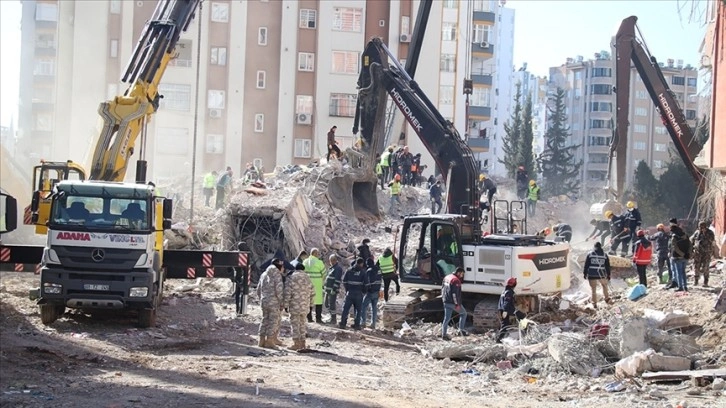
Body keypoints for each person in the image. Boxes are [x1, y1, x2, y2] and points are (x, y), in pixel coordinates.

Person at [283, 262, 315, 350]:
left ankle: (296, 343)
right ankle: (303, 343)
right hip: (305, 306)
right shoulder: (308, 278)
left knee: (295, 325)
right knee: (302, 325)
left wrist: (285, 305)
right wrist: (311, 305)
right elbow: (313, 293)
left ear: (295, 269)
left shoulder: (292, 277)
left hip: (294, 306)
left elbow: (287, 292)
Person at [255, 259, 284, 349]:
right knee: (273, 321)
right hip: (274, 302)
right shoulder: (277, 275)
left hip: (264, 301)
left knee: (264, 320)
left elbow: (258, 289)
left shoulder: (264, 274)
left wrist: (262, 298)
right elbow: (278, 290)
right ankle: (270, 341)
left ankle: (261, 340)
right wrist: (281, 302)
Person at [339, 258, 368, 330]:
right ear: (361, 264)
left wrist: (347, 289)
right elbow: (366, 284)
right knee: (358, 310)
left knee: (345, 309)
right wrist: (363, 292)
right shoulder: (363, 272)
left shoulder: (349, 270)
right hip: (358, 294)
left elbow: (344, 281)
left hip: (350, 293)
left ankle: (343, 323)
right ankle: (357, 325)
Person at [441, 267, 468, 340]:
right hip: (452, 302)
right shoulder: (456, 281)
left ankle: (444, 334)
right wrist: (457, 304)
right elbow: (454, 294)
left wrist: (443, 299)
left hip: (445, 301)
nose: (462, 276)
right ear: (458, 273)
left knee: (446, 318)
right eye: (462, 274)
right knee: (464, 313)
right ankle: (461, 330)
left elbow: (442, 288)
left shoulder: (447, 277)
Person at [496, 277, 525, 343]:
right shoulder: (509, 292)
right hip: (507, 310)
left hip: (502, 309)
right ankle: (524, 331)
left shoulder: (504, 291)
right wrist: (505, 311)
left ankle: (499, 339)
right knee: (522, 316)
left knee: (505, 325)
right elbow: (507, 302)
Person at [583, 241, 612, 308]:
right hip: (601, 274)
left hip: (592, 274)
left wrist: (585, 273)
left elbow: (586, 265)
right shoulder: (604, 255)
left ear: (594, 247)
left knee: (593, 289)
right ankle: (607, 299)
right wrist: (608, 274)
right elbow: (607, 266)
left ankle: (594, 303)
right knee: (604, 286)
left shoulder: (590, 254)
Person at [302, 248, 326, 323]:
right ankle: (318, 319)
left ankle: (309, 318)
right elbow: (324, 273)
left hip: (307, 284)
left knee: (309, 301)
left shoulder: (305, 262)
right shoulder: (319, 262)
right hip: (317, 285)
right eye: (318, 254)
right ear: (315, 254)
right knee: (318, 302)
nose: (318, 255)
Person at [668, 218, 691, 292]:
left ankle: (680, 286)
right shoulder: (685, 234)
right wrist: (687, 254)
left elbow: (675, 247)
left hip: (677, 256)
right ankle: (685, 286)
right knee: (683, 272)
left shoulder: (674, 235)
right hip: (685, 256)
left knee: (678, 272)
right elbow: (690, 245)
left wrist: (682, 254)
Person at [691, 221, 715, 287]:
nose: (701, 228)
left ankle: (705, 281)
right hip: (697, 253)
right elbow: (692, 240)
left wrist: (705, 234)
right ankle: (696, 281)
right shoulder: (697, 232)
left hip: (706, 253)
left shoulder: (710, 232)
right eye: (700, 227)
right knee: (696, 267)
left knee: (705, 267)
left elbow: (712, 240)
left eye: (702, 227)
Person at [361, 258, 382, 329]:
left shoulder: (369, 271)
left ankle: (363, 322)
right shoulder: (379, 270)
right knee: (374, 308)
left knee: (363, 306)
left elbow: (367, 282)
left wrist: (365, 290)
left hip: (370, 292)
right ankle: (373, 324)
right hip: (377, 291)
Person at [324, 254, 344, 325]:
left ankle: (333, 319)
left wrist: (334, 289)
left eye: (332, 260)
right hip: (328, 290)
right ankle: (331, 316)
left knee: (332, 304)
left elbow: (337, 280)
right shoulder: (331, 268)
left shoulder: (338, 269)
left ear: (334, 260)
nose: (331, 262)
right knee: (326, 303)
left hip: (332, 290)